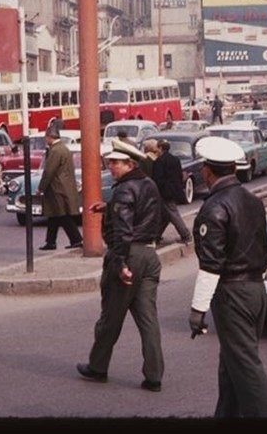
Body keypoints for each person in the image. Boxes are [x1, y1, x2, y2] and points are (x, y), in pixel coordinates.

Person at [188, 136, 267, 417]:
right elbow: (266, 248)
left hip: (232, 293)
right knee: (232, 363)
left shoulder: (214, 207)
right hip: (256, 289)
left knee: (245, 366)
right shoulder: (254, 201)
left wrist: (198, 308)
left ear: (207, 171)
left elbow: (211, 264)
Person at [77, 150, 164, 391]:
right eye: (109, 162)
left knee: (110, 318)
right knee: (148, 320)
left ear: (130, 164)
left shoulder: (124, 189)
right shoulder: (148, 184)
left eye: (116, 162)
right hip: (149, 254)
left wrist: (121, 264)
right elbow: (145, 211)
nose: (111, 166)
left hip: (129, 255)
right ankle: (154, 376)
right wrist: (109, 207)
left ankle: (98, 367)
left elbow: (124, 232)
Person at [37, 125, 83, 251]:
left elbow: (49, 171)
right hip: (63, 186)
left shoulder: (55, 151)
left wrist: (41, 187)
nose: (45, 140)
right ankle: (51, 241)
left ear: (50, 137)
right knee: (54, 215)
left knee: (62, 215)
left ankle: (76, 239)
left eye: (46, 137)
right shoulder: (63, 148)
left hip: (57, 188)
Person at [152, 138, 193, 246]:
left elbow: (157, 179)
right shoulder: (175, 159)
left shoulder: (159, 161)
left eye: (157, 147)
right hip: (174, 190)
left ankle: (186, 235)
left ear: (160, 148)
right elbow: (179, 175)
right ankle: (155, 236)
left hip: (164, 192)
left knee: (172, 214)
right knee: (165, 215)